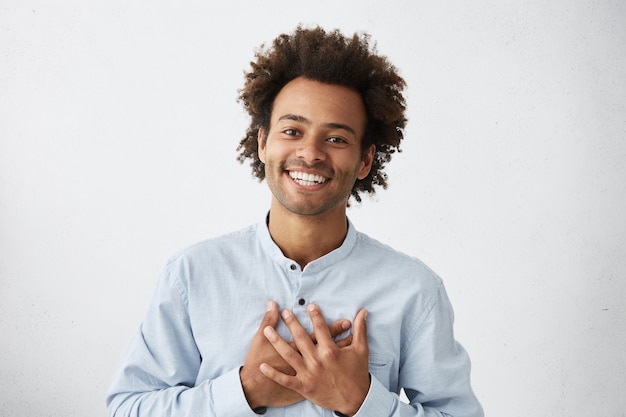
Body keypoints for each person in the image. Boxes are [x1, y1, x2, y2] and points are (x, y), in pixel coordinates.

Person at [106, 26, 483, 417]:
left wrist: (361, 402)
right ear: (263, 143)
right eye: (292, 131)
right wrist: (245, 391)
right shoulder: (191, 275)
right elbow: (128, 409)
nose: (311, 152)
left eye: (336, 139)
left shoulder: (414, 290)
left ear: (365, 161)